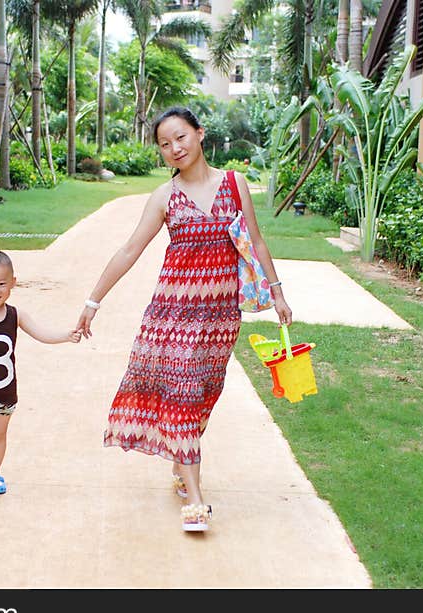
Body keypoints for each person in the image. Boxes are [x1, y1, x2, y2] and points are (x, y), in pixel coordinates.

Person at [75, 107, 293, 532]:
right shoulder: (164, 197)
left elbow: (256, 240)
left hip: (220, 318)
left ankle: (180, 458)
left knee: (203, 396)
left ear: (199, 133)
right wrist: (92, 301)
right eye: (164, 143)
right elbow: (128, 251)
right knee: (183, 396)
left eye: (180, 137)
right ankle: (195, 499)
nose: (174, 148)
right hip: (173, 317)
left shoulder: (235, 184)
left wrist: (277, 293)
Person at [0, 249, 81, 505]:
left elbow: (41, 332)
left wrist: (65, 335)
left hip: (6, 389)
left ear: (13, 283)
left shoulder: (15, 315)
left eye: (1, 284)